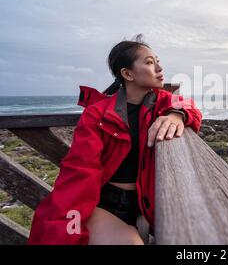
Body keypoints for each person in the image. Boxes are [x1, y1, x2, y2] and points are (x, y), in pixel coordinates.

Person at [27, 34, 202, 244]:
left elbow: (188, 105)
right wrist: (67, 229)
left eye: (158, 62)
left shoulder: (162, 101)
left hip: (143, 203)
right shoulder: (97, 114)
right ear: (127, 73)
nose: (159, 68)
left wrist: (177, 115)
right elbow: (81, 170)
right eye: (149, 62)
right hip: (104, 203)